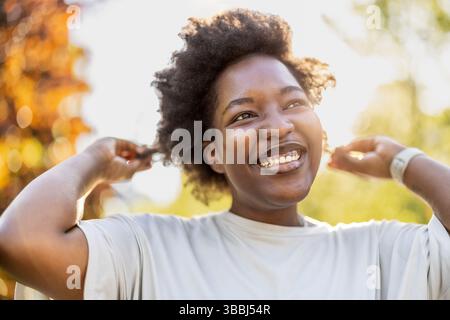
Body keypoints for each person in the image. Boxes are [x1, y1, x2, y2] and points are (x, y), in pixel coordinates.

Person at [0, 9, 449, 300]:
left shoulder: (379, 253)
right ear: (210, 151)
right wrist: (93, 163)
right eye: (243, 115)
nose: (279, 125)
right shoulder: (149, 250)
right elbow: (21, 241)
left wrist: (403, 162)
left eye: (294, 103)